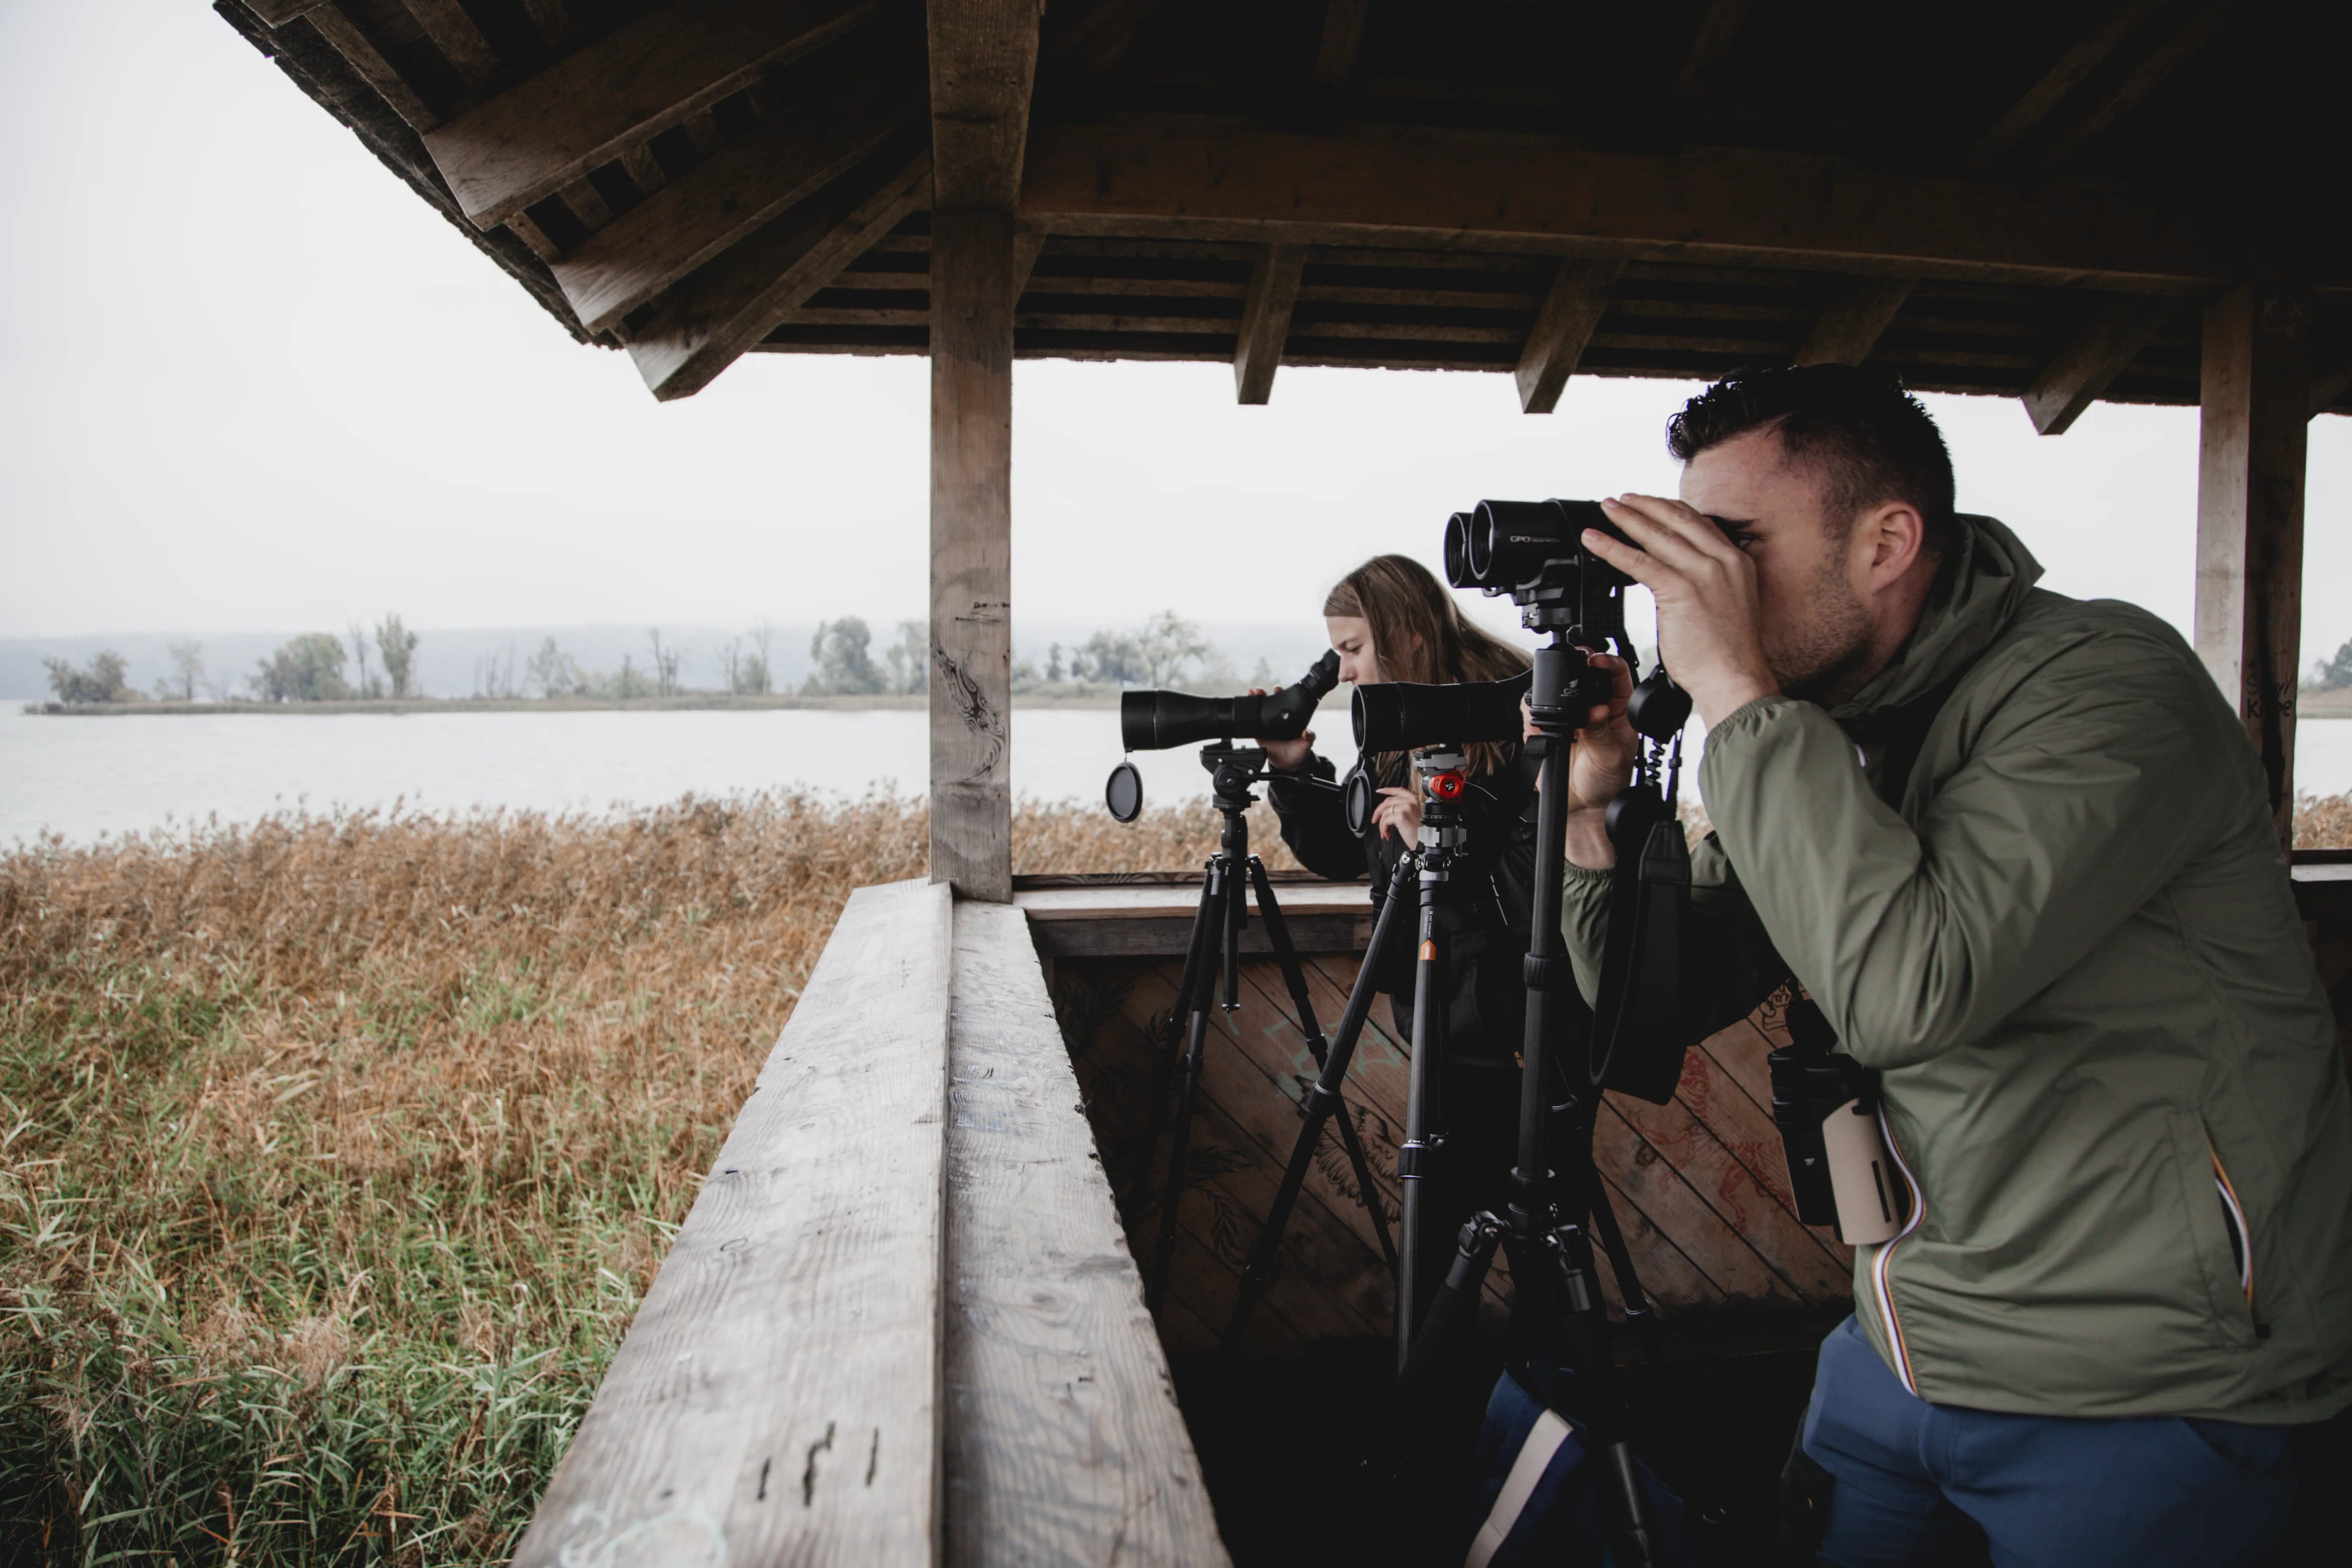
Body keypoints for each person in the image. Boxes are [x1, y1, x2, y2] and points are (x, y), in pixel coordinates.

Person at [1555, 364, 2352, 1566]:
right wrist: (1589, 811)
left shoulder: (2103, 686)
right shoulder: (1841, 729)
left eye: (1737, 545)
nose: (1703, 584)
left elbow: (1904, 991)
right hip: (1904, 1336)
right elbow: (1656, 1002)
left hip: (2141, 1377)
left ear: (1886, 543)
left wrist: (1733, 691)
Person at [1261, 554, 1541, 1230]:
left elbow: (1532, 884)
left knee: (1529, 1225)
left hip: (1511, 1027)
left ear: (1408, 633)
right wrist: (1294, 770)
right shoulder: (1396, 721)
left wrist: (1436, 848)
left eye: (1353, 649)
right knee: (1440, 1220)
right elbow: (1349, 848)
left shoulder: (1514, 711)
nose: (1345, 672)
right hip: (1435, 1017)